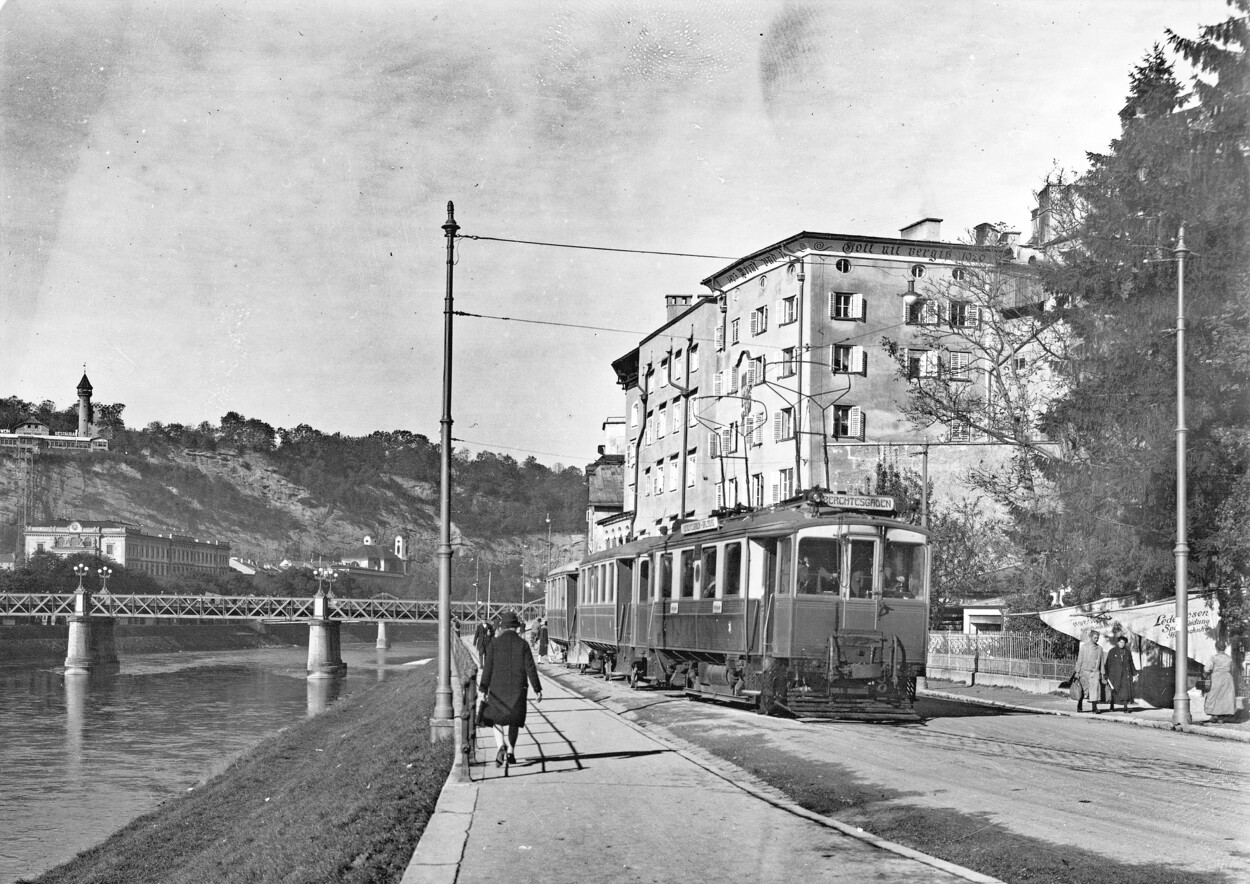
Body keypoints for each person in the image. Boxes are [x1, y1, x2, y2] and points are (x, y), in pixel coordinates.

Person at [477, 609, 542, 767]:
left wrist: (483, 690)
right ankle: (511, 751)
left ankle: (501, 746)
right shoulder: (523, 644)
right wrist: (537, 688)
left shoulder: (494, 643)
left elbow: (488, 669)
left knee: (497, 719)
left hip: (497, 687)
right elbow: (530, 668)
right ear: (515, 627)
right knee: (514, 720)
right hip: (518, 688)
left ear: (503, 627)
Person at [1073, 629, 1106, 714]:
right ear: (1090, 637)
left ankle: (1094, 708)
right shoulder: (1084, 647)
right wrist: (1077, 671)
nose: (1096, 639)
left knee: (1094, 690)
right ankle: (1079, 705)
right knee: (1084, 691)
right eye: (1095, 637)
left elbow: (1101, 662)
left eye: (1097, 638)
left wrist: (1102, 674)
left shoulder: (1099, 649)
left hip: (1095, 672)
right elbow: (1079, 660)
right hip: (1084, 672)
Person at [1204, 639, 1237, 723]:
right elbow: (1233, 669)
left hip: (1216, 677)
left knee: (1214, 695)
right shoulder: (1229, 658)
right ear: (1224, 648)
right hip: (1227, 678)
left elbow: (1207, 668)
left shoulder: (1214, 658)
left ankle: (1215, 715)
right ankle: (1221, 717)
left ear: (1216, 648)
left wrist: (1206, 673)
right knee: (1225, 697)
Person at [1102, 634, 1136, 713]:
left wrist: (1134, 673)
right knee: (1114, 690)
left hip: (1124, 674)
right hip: (1114, 674)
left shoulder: (1127, 652)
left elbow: (1131, 663)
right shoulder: (1112, 651)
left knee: (1125, 690)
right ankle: (1111, 706)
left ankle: (1125, 707)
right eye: (1120, 642)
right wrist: (1106, 674)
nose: (1122, 644)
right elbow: (1108, 663)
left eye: (1123, 643)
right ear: (1118, 643)